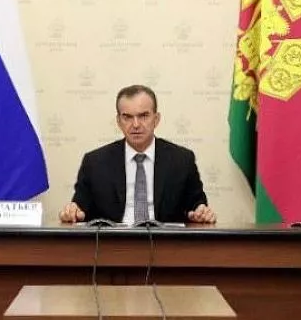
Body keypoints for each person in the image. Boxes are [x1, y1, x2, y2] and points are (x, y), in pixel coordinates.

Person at [59, 84, 216, 225]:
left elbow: (196, 205)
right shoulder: (95, 162)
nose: (135, 125)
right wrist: (73, 211)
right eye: (127, 117)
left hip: (165, 242)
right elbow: (80, 207)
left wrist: (200, 212)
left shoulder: (182, 160)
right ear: (118, 121)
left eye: (143, 116)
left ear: (156, 119)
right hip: (112, 243)